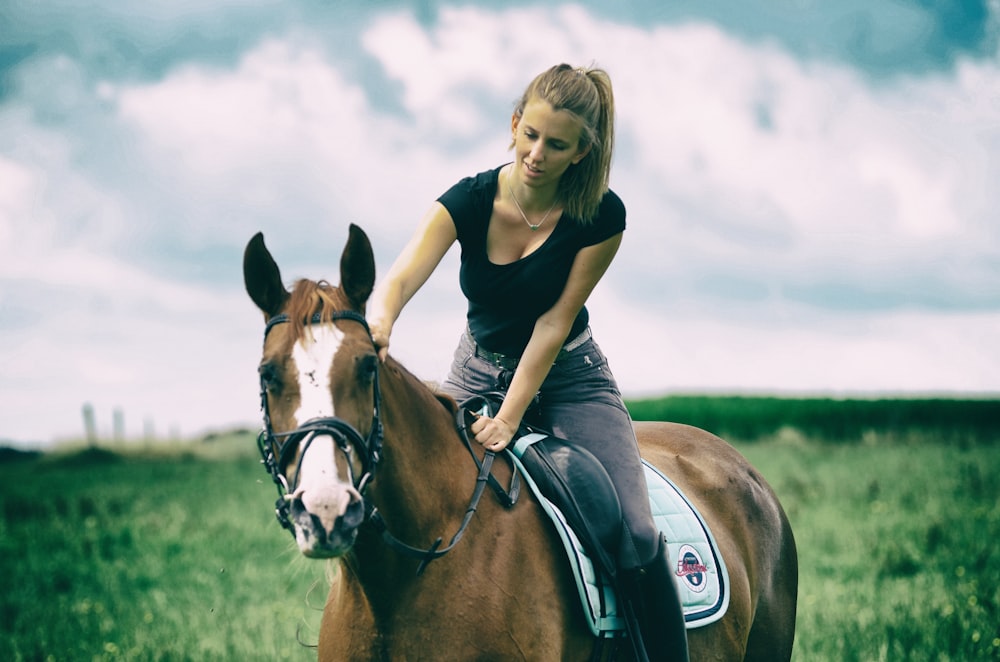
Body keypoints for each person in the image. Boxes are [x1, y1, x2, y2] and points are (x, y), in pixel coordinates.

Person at [367, 63, 689, 662]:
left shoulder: (602, 217)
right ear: (515, 124)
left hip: (570, 378)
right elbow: (407, 270)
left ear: (581, 152)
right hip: (474, 372)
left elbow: (553, 322)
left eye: (557, 144)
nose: (537, 154)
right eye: (531, 135)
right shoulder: (467, 199)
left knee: (636, 533)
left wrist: (510, 417)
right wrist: (382, 320)